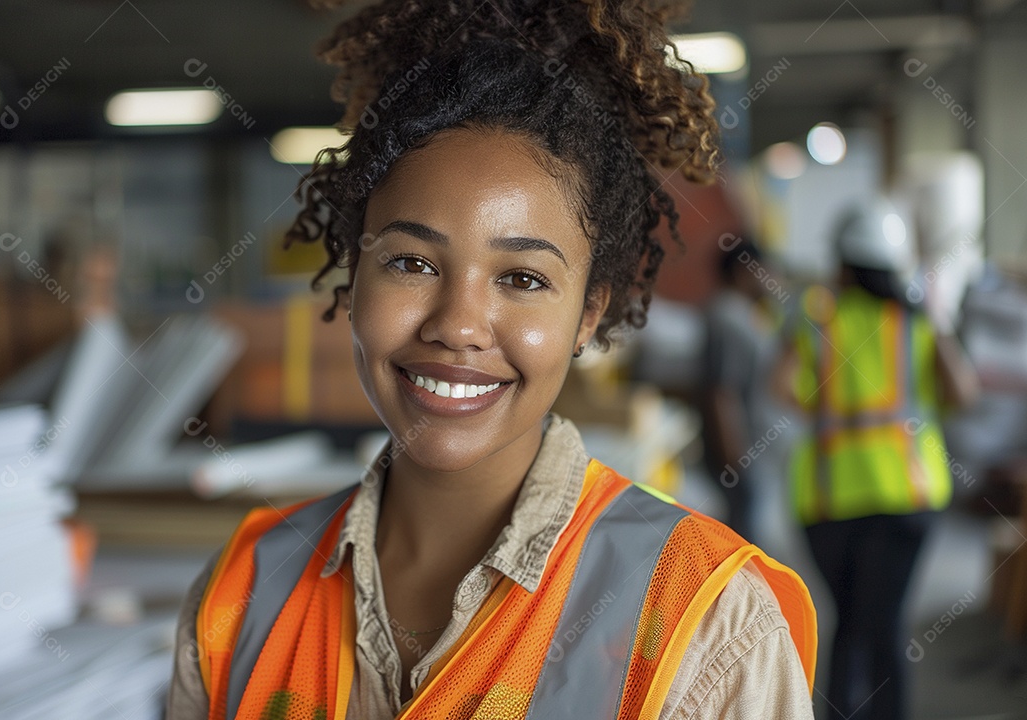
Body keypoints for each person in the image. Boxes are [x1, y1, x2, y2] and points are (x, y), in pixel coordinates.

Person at [166, 1, 817, 718]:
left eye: (522, 279)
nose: (458, 326)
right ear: (355, 275)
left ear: (589, 313)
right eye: (412, 263)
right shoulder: (241, 592)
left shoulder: (708, 623)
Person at [773, 200, 979, 720]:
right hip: (907, 498)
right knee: (883, 626)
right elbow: (965, 393)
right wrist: (938, 321)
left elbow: (781, 389)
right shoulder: (915, 323)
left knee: (850, 623)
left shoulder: (818, 319)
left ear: (842, 263)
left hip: (828, 500)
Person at [700, 238, 781, 543]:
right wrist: (735, 458)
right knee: (741, 537)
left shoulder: (747, 314)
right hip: (742, 453)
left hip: (754, 452)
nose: (773, 280)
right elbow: (722, 391)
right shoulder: (727, 317)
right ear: (744, 272)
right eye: (766, 271)